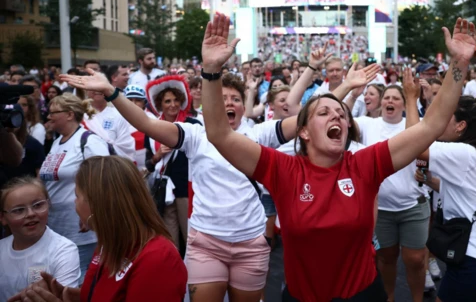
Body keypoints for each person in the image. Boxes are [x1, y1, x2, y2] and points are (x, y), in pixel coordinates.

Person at [199, 14, 476, 301]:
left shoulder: (365, 164)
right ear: (304, 132)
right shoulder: (281, 169)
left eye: (340, 114)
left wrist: (459, 64)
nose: (336, 115)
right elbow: (220, 135)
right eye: (323, 112)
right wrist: (210, 69)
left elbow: (431, 126)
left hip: (362, 295)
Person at [60, 70, 298, 302]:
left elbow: (304, 120)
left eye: (235, 99)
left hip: (251, 242)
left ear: (243, 107)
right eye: (221, 98)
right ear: (208, 106)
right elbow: (145, 123)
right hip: (207, 243)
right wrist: (111, 92)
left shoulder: (259, 133)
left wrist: (327, 103)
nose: (229, 103)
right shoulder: (194, 135)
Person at [14, 156, 187, 301]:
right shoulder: (109, 245)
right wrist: (69, 295)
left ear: (98, 204)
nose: (74, 202)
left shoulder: (157, 258)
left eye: (77, 196)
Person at [414, 94, 476, 302]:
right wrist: (431, 181)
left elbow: (415, 146)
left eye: (445, 118)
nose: (439, 124)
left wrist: (410, 99)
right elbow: (465, 192)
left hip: (473, 264)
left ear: (460, 126)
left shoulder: (465, 153)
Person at [355, 83, 430, 302]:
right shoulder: (367, 125)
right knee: (386, 258)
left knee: (415, 259)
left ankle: (417, 299)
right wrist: (351, 91)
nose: (390, 101)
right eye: (386, 97)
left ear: (404, 103)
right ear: (380, 102)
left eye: (396, 98)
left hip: (412, 205)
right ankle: (389, 297)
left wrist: (426, 173)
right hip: (381, 210)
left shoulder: (414, 124)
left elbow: (424, 155)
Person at [39, 94, 111, 281]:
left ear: (70, 114)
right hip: (55, 227)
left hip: (81, 231)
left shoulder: (89, 140)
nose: (48, 116)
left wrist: (91, 213)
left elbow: (103, 178)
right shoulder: (56, 142)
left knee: (78, 279)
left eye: (53, 112)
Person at [1, 177, 80, 301]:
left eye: (38, 205)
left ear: (48, 204)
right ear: (3, 217)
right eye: (18, 210)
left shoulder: (64, 250)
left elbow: (65, 297)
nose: (31, 214)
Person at [144, 75, 200, 249]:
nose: (173, 105)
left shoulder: (193, 124)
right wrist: (157, 155)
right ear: (160, 104)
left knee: (191, 238)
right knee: (171, 240)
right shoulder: (152, 128)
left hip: (187, 190)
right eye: (167, 101)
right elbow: (148, 165)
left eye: (176, 100)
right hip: (164, 192)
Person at [83, 89, 136, 162]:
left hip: (114, 166)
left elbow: (125, 145)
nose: (98, 90)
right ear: (86, 91)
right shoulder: (81, 116)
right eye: (93, 88)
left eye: (100, 87)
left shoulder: (119, 115)